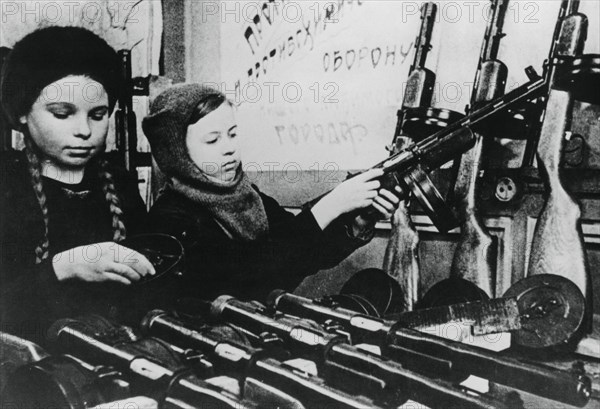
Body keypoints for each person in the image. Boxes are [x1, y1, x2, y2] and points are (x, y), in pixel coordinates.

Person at [143, 84, 402, 305]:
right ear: (176, 153)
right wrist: (329, 207)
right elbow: (251, 278)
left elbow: (303, 255)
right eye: (213, 140)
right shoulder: (170, 220)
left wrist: (358, 222)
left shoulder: (247, 196)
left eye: (233, 134)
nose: (230, 149)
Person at [0, 26, 155, 343]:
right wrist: (64, 268)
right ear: (23, 114)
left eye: (98, 114)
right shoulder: (7, 186)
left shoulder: (119, 183)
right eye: (62, 113)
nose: (84, 130)